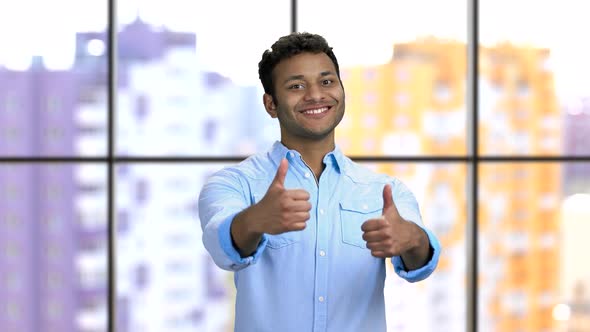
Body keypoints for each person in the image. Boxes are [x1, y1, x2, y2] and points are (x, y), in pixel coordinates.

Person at [198, 32, 441, 332]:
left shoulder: (385, 191)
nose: (315, 95)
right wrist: (255, 220)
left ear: (341, 90)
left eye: (327, 81)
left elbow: (420, 264)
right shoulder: (234, 184)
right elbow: (220, 245)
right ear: (270, 104)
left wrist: (411, 238)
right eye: (296, 86)